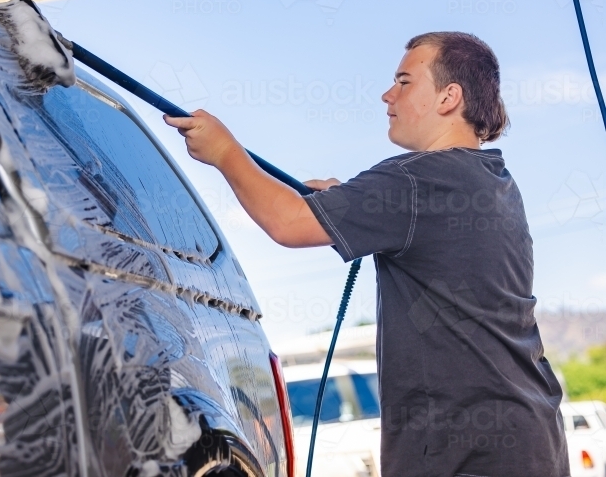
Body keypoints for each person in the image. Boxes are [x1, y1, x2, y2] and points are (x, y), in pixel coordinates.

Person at [164, 32, 569, 477]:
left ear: (449, 97)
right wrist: (349, 204)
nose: (386, 94)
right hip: (529, 442)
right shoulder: (491, 182)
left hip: (465, 455)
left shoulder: (417, 179)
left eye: (404, 81)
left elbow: (288, 222)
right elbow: (421, 224)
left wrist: (225, 152)